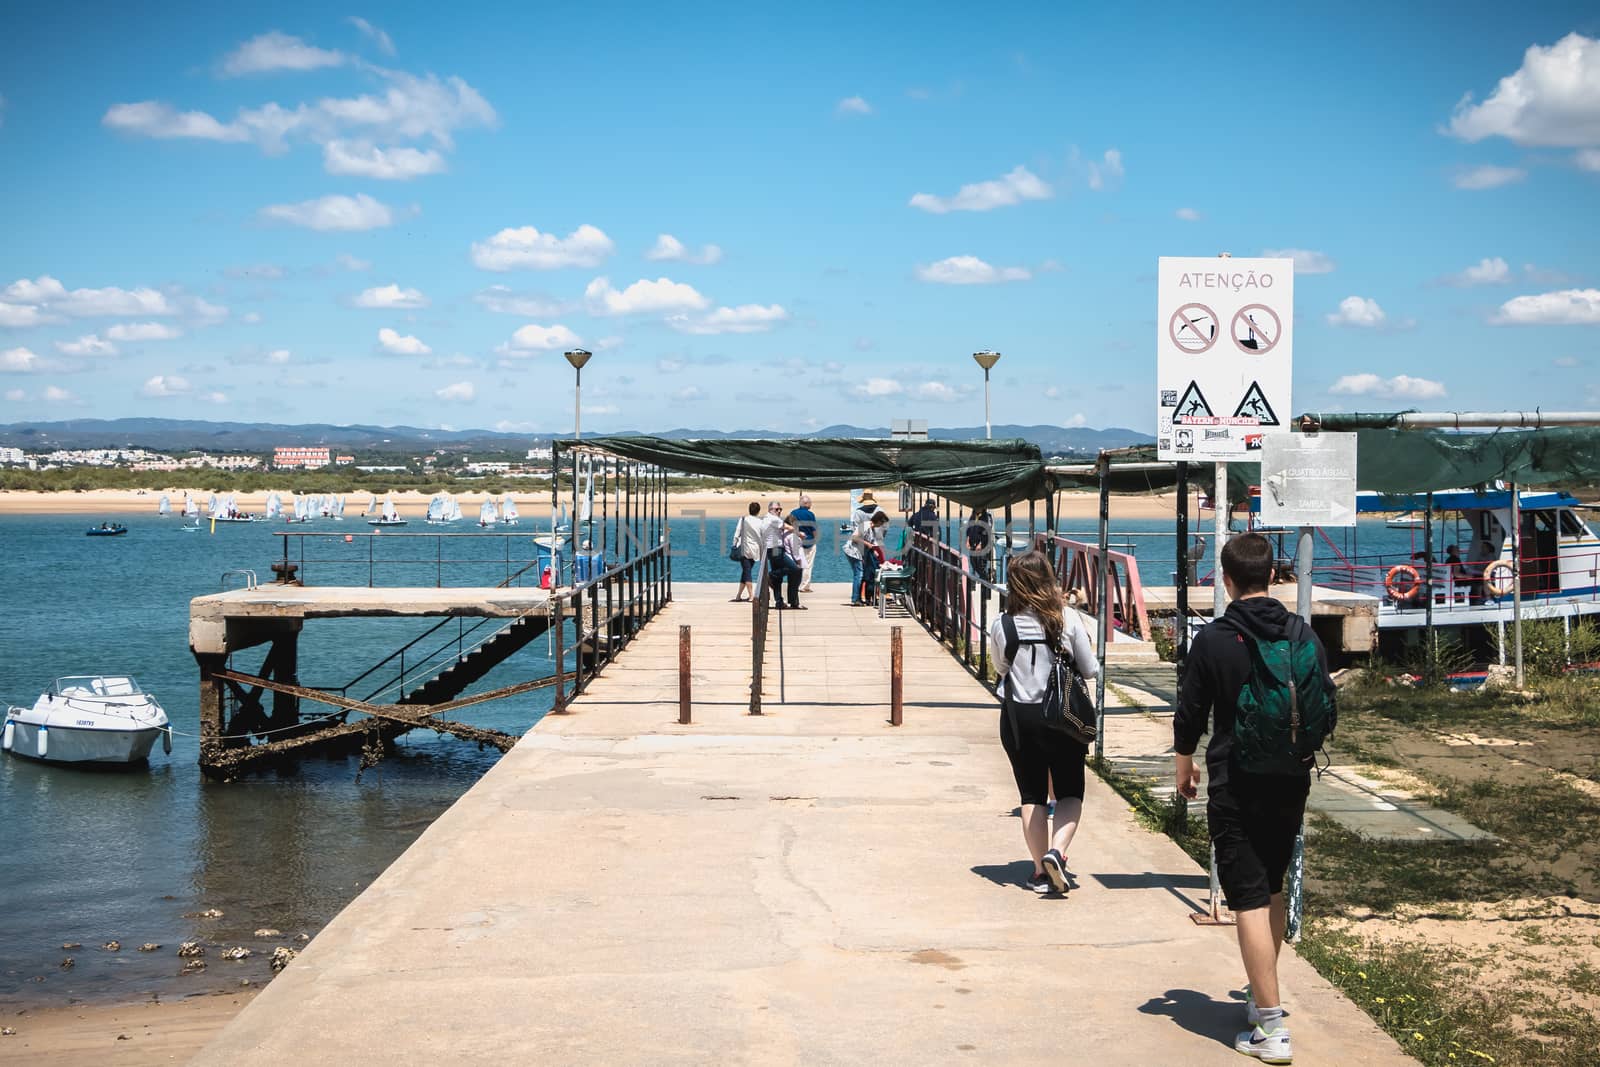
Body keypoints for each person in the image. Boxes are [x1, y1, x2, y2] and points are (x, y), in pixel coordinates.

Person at [1174, 532, 1336, 1064]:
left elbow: (1190, 713)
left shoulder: (1216, 639)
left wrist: (1184, 765)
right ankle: (1260, 992)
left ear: (1225, 579)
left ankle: (1271, 1027)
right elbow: (1327, 706)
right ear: (1272, 576)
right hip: (1291, 780)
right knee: (1270, 886)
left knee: (1243, 896)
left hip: (1235, 782)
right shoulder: (1303, 635)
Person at [990, 551, 1099, 896]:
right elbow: (1091, 668)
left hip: (1020, 716)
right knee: (1069, 791)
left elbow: (1000, 667)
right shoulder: (1067, 618)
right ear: (1049, 580)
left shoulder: (1003, 624)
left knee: (1032, 795)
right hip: (1064, 715)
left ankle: (1039, 870)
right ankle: (1058, 850)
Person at [761, 500, 802, 609]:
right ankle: (771, 575)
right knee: (795, 568)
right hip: (776, 549)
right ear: (770, 510)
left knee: (778, 580)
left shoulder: (765, 519)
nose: (779, 511)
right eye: (776, 509)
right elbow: (789, 527)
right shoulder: (773, 519)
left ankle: (779, 602)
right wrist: (800, 534)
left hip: (770, 550)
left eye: (780, 509)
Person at [843, 490, 881, 605]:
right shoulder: (866, 524)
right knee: (859, 574)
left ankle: (859, 597)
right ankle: (855, 599)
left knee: (862, 572)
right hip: (852, 550)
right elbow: (854, 537)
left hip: (859, 550)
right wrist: (868, 545)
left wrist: (873, 550)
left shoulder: (871, 526)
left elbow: (872, 541)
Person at [732, 502, 763, 602]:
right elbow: (761, 537)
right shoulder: (760, 522)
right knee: (746, 571)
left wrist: (734, 545)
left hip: (744, 550)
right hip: (755, 550)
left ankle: (749, 596)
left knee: (746, 571)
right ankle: (741, 595)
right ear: (758, 511)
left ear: (749, 509)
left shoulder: (743, 519)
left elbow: (737, 534)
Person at [791, 494, 819, 592]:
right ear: (806, 504)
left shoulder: (793, 513)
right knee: (808, 565)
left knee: (798, 565)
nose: (811, 505)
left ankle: (795, 584)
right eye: (810, 503)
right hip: (809, 542)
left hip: (797, 542)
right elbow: (814, 529)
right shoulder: (810, 514)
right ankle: (804, 586)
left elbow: (791, 527)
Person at [966, 508, 994, 582]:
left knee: (981, 565)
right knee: (973, 564)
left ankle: (985, 583)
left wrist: (981, 544)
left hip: (983, 546)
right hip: (973, 545)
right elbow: (969, 529)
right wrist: (968, 540)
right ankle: (979, 580)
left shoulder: (986, 517)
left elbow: (986, 531)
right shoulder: (973, 516)